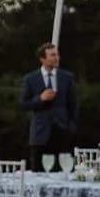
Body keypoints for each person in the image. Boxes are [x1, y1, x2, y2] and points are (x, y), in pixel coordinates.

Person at [19, 42, 79, 171]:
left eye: (57, 54)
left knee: (64, 173)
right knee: (38, 173)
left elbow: (73, 105)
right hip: (40, 135)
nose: (57, 58)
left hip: (62, 132)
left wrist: (71, 127)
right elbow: (23, 104)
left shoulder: (67, 78)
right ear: (42, 59)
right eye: (52, 55)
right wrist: (40, 99)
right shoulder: (30, 79)